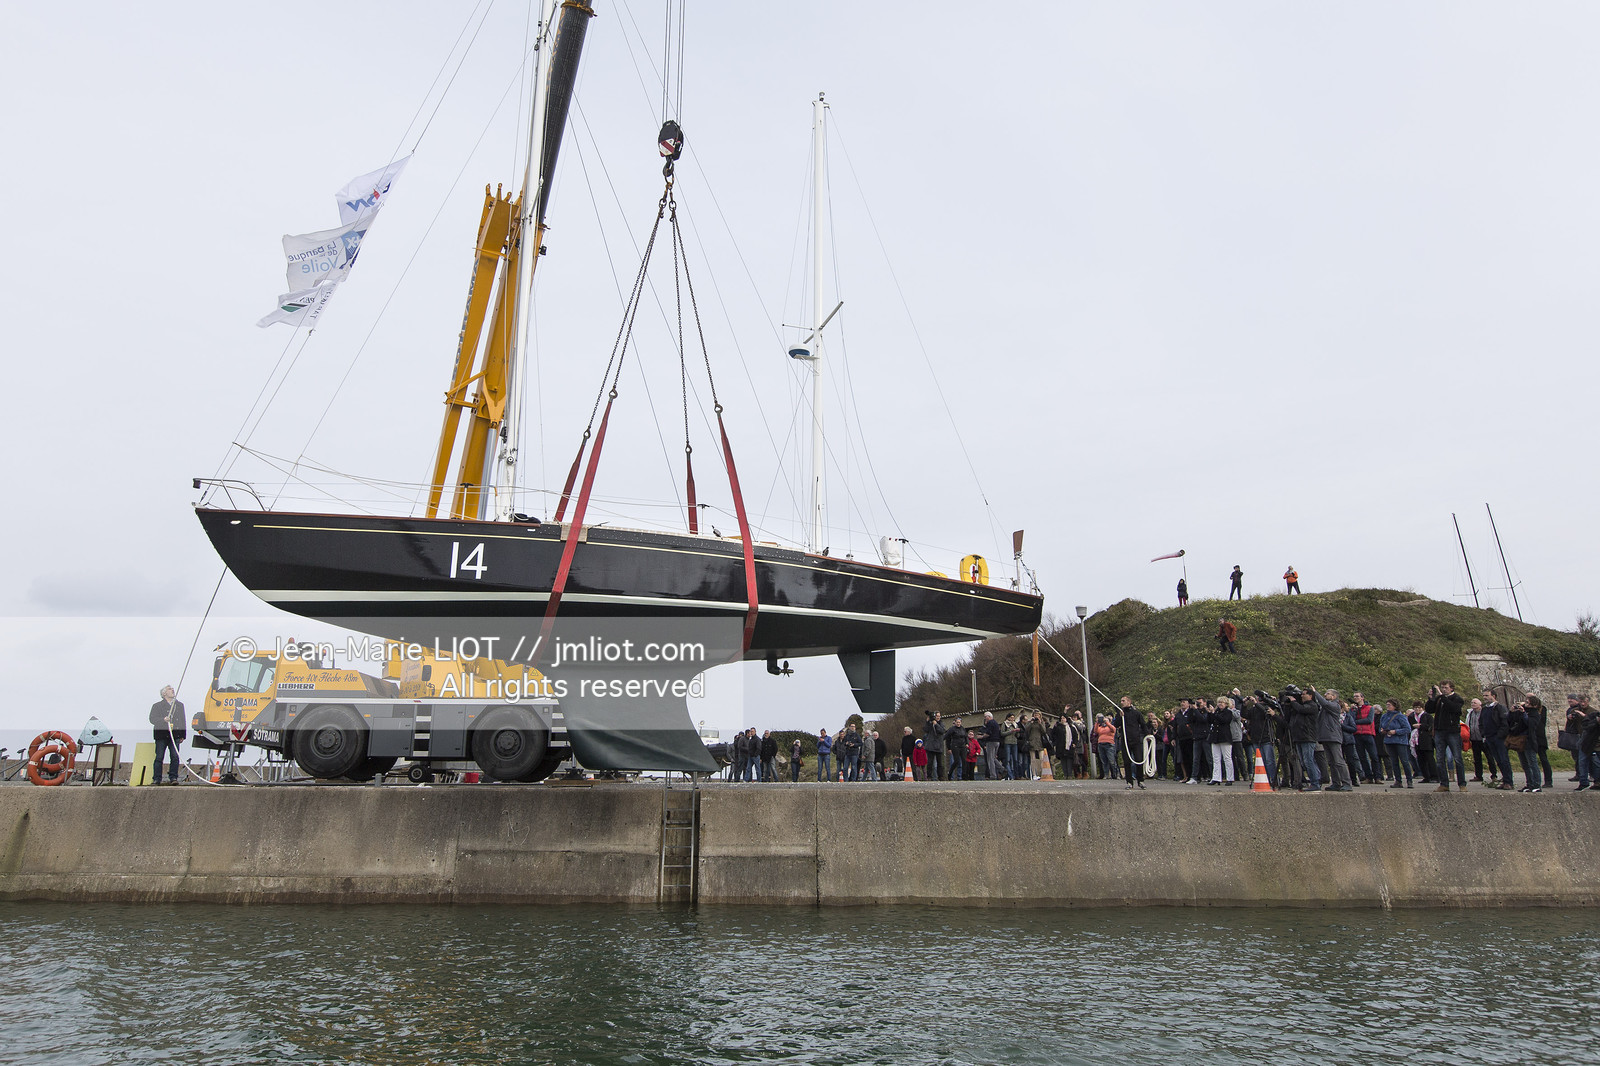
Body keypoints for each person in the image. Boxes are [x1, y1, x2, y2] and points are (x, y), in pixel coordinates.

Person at [1427, 681, 1467, 791]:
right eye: (1442, 687)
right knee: (1440, 758)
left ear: (1451, 689)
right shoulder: (1440, 699)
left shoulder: (1457, 699)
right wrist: (1431, 698)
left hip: (1452, 731)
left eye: (1446, 688)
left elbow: (1453, 708)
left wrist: (1441, 696)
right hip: (1440, 731)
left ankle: (1462, 784)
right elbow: (1429, 710)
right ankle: (1444, 784)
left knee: (1457, 758)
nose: (1443, 689)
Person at [1314, 687, 1353, 791]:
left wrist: (1315, 693)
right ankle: (1336, 783)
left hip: (1333, 736)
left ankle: (1346, 783)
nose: (1325, 695)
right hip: (1325, 736)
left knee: (1339, 761)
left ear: (1334, 696)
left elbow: (1325, 703)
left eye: (1328, 693)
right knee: (1331, 762)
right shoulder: (1325, 708)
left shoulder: (1334, 706)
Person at [1285, 686, 1321, 791]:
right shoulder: (1299, 707)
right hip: (1299, 737)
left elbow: (1301, 709)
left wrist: (1293, 702)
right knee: (1304, 762)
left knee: (1308, 760)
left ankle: (1315, 783)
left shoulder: (1312, 706)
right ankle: (1316, 779)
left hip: (1307, 737)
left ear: (1310, 696)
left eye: (1304, 694)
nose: (1302, 695)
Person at [148, 685, 186, 785]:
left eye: (172, 689)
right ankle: (157, 779)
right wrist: (163, 720)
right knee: (159, 757)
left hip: (175, 735)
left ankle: (173, 778)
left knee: (175, 757)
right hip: (161, 734)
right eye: (169, 689)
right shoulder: (157, 706)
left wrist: (183, 735)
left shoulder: (179, 705)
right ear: (164, 693)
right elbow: (152, 719)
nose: (172, 690)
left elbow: (182, 720)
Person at [1478, 690, 1514, 791]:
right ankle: (1504, 780)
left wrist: (1499, 735)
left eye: (1486, 695)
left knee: (1504, 760)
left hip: (1499, 738)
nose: (1484, 697)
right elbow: (1481, 722)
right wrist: (1483, 734)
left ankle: (1508, 781)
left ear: (1493, 696)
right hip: (1489, 737)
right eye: (1484, 695)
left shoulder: (1500, 708)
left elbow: (1504, 723)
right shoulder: (1485, 709)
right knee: (1498, 760)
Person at [1380, 699, 1414, 788]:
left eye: (1389, 705)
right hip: (1389, 741)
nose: (1387, 706)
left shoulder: (1400, 716)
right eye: (1387, 705)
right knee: (1394, 761)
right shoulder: (1384, 716)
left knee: (1404, 761)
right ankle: (1398, 781)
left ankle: (1409, 780)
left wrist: (1395, 731)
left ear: (1395, 706)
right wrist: (1383, 731)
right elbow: (1381, 727)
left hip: (1400, 741)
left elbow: (1407, 729)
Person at [1506, 701, 1539, 793]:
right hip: (1519, 741)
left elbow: (1529, 723)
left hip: (1529, 741)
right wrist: (1511, 712)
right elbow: (1509, 721)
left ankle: (1536, 784)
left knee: (1532, 763)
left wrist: (1524, 713)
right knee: (1525, 765)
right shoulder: (1519, 712)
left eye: (1528, 703)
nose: (1526, 704)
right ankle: (1529, 784)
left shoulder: (1534, 713)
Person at [1524, 695, 1553, 790]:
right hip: (1531, 738)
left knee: (1542, 759)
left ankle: (1547, 780)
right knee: (1529, 761)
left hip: (1539, 738)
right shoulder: (1526, 712)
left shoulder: (1539, 711)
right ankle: (1531, 782)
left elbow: (1536, 724)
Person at [1118, 697, 1147, 789]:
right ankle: (1129, 782)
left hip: (1136, 740)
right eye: (1121, 701)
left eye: (1123, 701)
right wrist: (1120, 716)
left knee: (1139, 760)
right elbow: (1116, 725)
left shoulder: (1136, 713)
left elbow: (1143, 724)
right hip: (1125, 741)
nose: (1121, 702)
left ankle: (1140, 781)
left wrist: (1148, 736)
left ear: (1129, 702)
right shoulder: (1120, 713)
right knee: (1127, 762)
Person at [1352, 694, 1380, 783]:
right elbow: (1350, 719)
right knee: (1362, 757)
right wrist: (1353, 711)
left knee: (1374, 756)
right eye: (1354, 697)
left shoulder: (1369, 708)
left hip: (1368, 733)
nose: (1355, 698)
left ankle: (1378, 776)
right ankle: (1368, 777)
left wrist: (1356, 722)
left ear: (1362, 698)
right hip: (1357, 734)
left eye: (1357, 696)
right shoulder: (1353, 709)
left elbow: (1369, 720)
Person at [1207, 698, 1236, 785]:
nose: (1220, 704)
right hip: (1215, 737)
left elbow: (1224, 721)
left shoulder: (1228, 712)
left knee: (1227, 758)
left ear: (1226, 704)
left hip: (1224, 737)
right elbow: (1210, 721)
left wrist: (1214, 714)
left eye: (1222, 703)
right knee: (1216, 758)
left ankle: (1230, 778)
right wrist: (1210, 713)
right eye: (1219, 702)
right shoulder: (1216, 712)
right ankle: (1216, 777)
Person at [923, 712, 948, 781]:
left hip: (938, 745)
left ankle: (940, 776)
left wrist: (936, 724)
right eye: (937, 716)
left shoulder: (941, 723)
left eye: (939, 716)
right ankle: (929, 776)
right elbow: (926, 730)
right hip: (931, 745)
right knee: (930, 762)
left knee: (940, 762)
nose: (938, 717)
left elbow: (942, 731)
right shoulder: (930, 724)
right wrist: (927, 722)